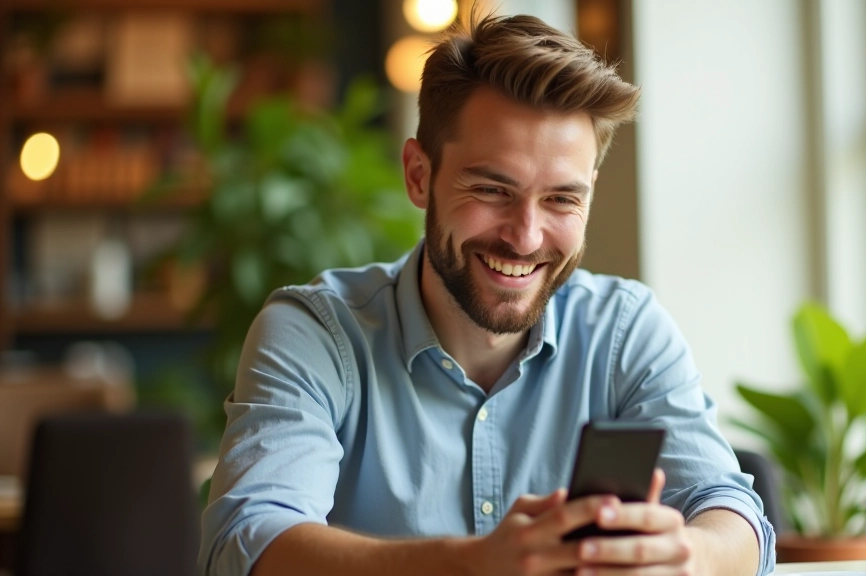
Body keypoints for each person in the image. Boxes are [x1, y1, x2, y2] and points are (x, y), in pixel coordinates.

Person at [199, 12, 776, 576]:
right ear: (419, 175)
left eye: (562, 199)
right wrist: (471, 564)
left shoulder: (625, 331)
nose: (525, 237)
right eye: (492, 190)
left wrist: (688, 557)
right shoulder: (317, 333)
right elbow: (248, 544)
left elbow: (732, 512)